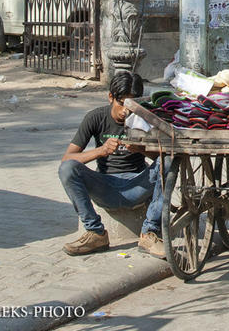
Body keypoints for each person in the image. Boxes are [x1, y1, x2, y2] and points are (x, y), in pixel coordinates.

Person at [59, 71, 168, 258]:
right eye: (121, 103)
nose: (126, 111)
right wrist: (100, 151)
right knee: (67, 169)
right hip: (105, 187)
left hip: (138, 185)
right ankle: (96, 233)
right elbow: (67, 158)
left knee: (169, 162)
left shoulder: (145, 119)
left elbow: (161, 158)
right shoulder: (95, 118)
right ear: (111, 97)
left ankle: (149, 232)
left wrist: (141, 150)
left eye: (132, 104)